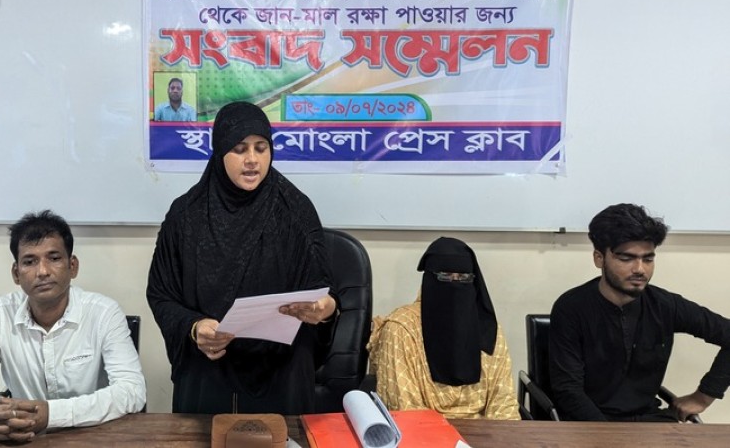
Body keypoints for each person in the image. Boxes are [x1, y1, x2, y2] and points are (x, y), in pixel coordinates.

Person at [147, 101, 337, 415]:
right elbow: (161, 294)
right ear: (220, 151)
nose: (252, 160)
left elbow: (324, 293)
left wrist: (324, 309)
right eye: (239, 148)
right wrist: (195, 327)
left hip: (283, 368)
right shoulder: (186, 215)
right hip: (209, 364)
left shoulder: (296, 210)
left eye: (261, 148)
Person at [0, 210, 145, 442]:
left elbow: (132, 390)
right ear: (16, 273)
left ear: (72, 266)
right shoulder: (0, 314)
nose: (43, 271)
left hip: (93, 436)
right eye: (30, 261)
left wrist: (51, 415)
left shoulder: (103, 313)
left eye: (54, 258)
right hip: (22, 438)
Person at [549, 203, 730, 422]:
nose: (640, 269)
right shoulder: (571, 308)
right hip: (588, 423)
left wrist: (703, 397)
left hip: (648, 421)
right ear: (599, 258)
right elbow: (568, 391)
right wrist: (609, 438)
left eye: (648, 259)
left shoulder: (665, 305)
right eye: (626, 258)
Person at [367, 237, 520, 420]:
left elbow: (504, 407)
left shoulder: (488, 331)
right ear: (429, 280)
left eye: (463, 278)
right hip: (424, 438)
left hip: (484, 436)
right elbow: (406, 410)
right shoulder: (401, 329)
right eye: (445, 277)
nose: (454, 285)